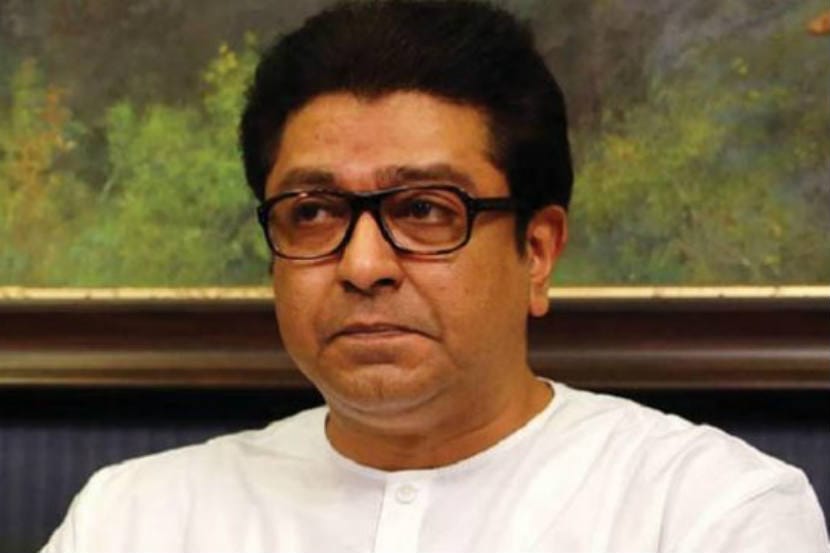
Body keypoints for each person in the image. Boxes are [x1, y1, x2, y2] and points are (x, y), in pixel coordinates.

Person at [42, 2, 828, 552]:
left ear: (537, 251)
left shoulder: (706, 510)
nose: (363, 265)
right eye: (312, 212)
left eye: (424, 209)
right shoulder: (134, 519)